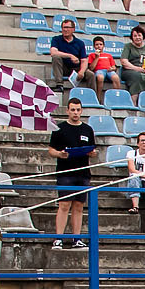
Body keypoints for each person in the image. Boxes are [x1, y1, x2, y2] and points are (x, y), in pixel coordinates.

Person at [48, 98, 98, 246]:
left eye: (78, 110)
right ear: (67, 111)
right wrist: (59, 154)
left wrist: (92, 153)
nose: (75, 113)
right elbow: (51, 150)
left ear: (81, 111)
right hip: (65, 172)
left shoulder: (88, 129)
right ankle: (59, 238)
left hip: (83, 173)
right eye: (72, 110)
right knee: (64, 205)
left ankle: (77, 238)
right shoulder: (59, 128)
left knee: (79, 206)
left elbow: (92, 149)